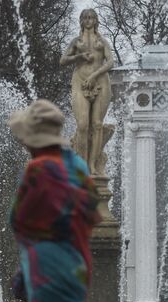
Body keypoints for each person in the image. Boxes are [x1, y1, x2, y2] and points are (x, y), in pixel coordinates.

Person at [8, 99, 139, 302]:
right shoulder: (76, 165)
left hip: (48, 270)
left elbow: (19, 220)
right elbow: (91, 214)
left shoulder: (39, 170)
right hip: (77, 266)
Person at [60, 8, 115, 176]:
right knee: (83, 125)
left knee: (97, 124)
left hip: (101, 82)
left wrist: (95, 75)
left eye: (92, 17)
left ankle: (92, 164)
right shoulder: (76, 42)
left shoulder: (102, 41)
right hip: (80, 82)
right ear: (82, 21)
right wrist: (79, 57)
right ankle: (82, 163)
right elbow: (62, 60)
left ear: (96, 20)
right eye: (85, 18)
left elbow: (111, 62)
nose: (89, 20)